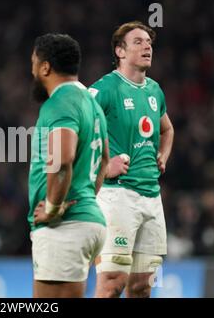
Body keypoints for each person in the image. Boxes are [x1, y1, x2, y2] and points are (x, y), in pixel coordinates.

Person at [88, 21, 174, 298]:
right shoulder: (104, 89)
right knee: (113, 282)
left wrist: (163, 154)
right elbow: (73, 133)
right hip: (116, 195)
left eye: (149, 42)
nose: (147, 46)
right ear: (120, 51)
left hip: (151, 198)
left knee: (142, 286)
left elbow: (167, 129)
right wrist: (103, 166)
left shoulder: (154, 91)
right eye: (138, 41)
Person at [28, 33, 109, 298]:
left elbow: (62, 160)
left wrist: (52, 208)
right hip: (87, 219)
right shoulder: (92, 104)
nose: (32, 72)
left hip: (64, 227)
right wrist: (85, 196)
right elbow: (105, 159)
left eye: (33, 64)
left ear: (45, 67)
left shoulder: (60, 102)